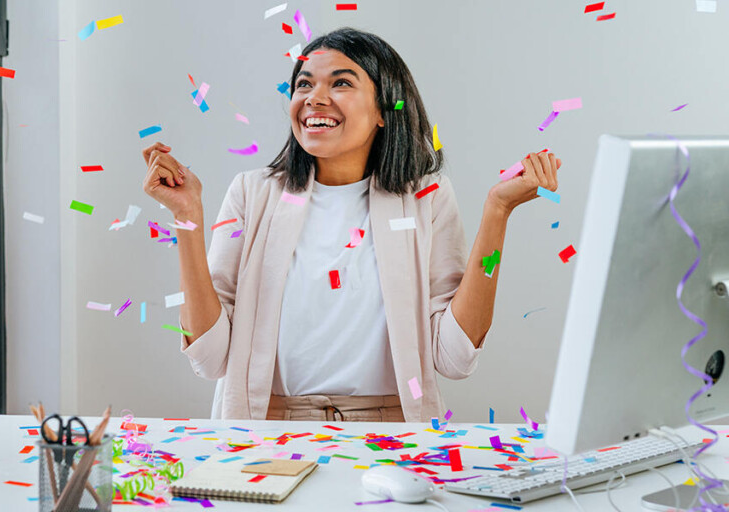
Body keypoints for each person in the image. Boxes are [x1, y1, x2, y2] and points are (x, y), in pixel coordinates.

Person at [141, 27, 561, 422]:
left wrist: (497, 212)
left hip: (393, 429)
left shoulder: (426, 197)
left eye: (340, 83)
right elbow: (209, 358)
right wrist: (186, 217)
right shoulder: (252, 193)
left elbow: (454, 357)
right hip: (267, 428)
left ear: (384, 109)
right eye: (304, 84)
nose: (314, 98)